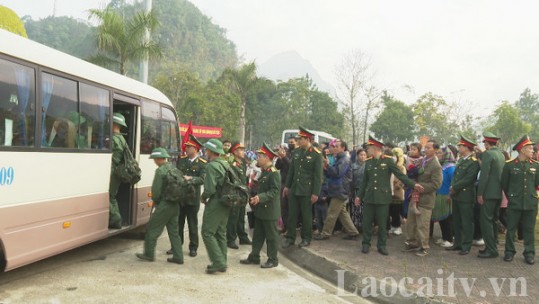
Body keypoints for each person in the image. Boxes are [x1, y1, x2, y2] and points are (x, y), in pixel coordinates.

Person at [356, 136, 423, 255]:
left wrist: (413, 185)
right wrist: (359, 196)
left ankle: (381, 245)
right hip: (369, 197)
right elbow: (365, 181)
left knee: (382, 224)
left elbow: (400, 175)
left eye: (369, 148)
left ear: (375, 148)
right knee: (367, 223)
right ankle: (366, 243)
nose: (367, 151)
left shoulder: (388, 161)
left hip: (382, 198)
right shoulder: (369, 162)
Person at [136, 148, 184, 265]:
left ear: (158, 159)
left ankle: (148, 254)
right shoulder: (174, 168)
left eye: (154, 159)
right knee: (174, 231)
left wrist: (156, 202)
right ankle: (178, 256)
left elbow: (156, 192)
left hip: (165, 204)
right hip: (175, 204)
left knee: (152, 229)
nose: (154, 162)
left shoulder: (160, 171)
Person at [240, 143, 281, 268]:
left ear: (267, 158)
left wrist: (260, 197)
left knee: (271, 237)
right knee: (257, 235)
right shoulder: (264, 171)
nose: (257, 158)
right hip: (260, 209)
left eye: (259, 156)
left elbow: (274, 191)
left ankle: (273, 259)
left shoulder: (274, 173)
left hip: (269, 211)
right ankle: (254, 256)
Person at [282, 126, 324, 248]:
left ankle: (306, 238)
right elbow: (292, 171)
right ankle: (290, 238)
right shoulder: (296, 152)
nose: (298, 141)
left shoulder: (316, 155)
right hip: (295, 188)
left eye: (300, 139)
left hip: (307, 190)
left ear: (307, 139)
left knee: (306, 216)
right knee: (292, 215)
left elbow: (318, 176)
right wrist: (287, 186)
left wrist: (315, 193)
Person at [501, 135, 539, 265]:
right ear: (522, 149)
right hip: (515, 203)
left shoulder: (536, 166)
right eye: (530, 148)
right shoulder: (509, 166)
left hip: (531, 202)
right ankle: (509, 252)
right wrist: (512, 196)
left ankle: (529, 253)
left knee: (529, 229)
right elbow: (505, 185)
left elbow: (536, 185)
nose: (533, 151)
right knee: (511, 229)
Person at [167, 134, 206, 258]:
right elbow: (177, 173)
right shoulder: (182, 160)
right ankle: (176, 246)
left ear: (195, 149)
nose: (186, 149)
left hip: (192, 199)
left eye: (189, 147)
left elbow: (202, 179)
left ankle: (193, 247)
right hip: (180, 197)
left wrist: (191, 179)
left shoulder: (202, 163)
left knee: (192, 224)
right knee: (178, 224)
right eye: (186, 147)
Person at [403, 140, 443, 257]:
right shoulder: (422, 161)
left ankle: (423, 247)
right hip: (414, 197)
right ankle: (412, 243)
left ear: (435, 150)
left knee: (422, 224)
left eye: (429, 148)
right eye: (425, 147)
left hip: (425, 199)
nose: (426, 149)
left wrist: (419, 187)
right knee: (411, 222)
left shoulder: (436, 165)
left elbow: (436, 184)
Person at [314, 140, 360, 240]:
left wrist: (328, 166)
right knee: (342, 213)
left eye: (336, 146)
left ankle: (325, 233)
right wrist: (326, 168)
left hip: (340, 190)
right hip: (337, 189)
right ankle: (353, 232)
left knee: (331, 213)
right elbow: (331, 174)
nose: (333, 148)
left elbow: (337, 173)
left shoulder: (344, 160)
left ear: (343, 148)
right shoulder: (338, 159)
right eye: (333, 146)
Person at [201, 139, 231, 274]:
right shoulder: (226, 164)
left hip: (216, 202)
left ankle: (218, 262)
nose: (205, 151)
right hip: (226, 202)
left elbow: (209, 189)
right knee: (220, 232)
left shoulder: (211, 166)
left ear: (211, 151)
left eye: (207, 149)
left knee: (207, 232)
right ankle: (222, 261)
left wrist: (203, 197)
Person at [447, 135, 480, 255]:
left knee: (466, 221)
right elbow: (455, 176)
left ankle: (466, 245)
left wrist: (454, 187)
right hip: (456, 195)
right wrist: (452, 189)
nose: (459, 147)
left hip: (465, 195)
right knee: (457, 220)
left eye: (460, 146)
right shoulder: (461, 160)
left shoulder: (473, 162)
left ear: (466, 148)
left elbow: (469, 179)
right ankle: (458, 243)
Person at [476, 131, 506, 258]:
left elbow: (484, 176)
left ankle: (491, 249)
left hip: (488, 193)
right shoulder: (500, 154)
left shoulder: (488, 154)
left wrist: (480, 193)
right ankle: (492, 245)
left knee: (485, 221)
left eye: (485, 143)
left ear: (487, 143)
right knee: (493, 220)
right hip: (498, 193)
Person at [226, 142, 252, 249]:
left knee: (241, 216)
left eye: (243, 149)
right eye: (240, 150)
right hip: (235, 194)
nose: (243, 152)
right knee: (233, 217)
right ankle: (230, 239)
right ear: (235, 152)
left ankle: (242, 236)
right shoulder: (232, 165)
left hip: (243, 194)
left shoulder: (242, 163)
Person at [431, 147, 456, 248]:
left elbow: (453, 183)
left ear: (446, 155)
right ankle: (444, 237)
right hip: (439, 194)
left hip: (446, 195)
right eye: (437, 153)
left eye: (440, 153)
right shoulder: (441, 166)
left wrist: (450, 195)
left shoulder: (451, 168)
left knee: (447, 218)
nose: (438, 155)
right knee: (441, 217)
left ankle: (449, 239)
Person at [108, 112, 128, 229]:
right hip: (117, 172)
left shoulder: (114, 139)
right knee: (112, 196)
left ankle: (116, 220)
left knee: (109, 196)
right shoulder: (122, 139)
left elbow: (113, 159)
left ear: (114, 124)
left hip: (112, 172)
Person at [388, 147, 406, 236]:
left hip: (398, 193)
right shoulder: (390, 166)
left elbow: (403, 179)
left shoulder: (402, 167)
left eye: (396, 156)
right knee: (390, 210)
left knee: (397, 210)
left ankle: (398, 227)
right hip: (389, 191)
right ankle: (392, 226)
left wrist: (396, 185)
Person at [274, 144, 290, 233]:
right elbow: (277, 167)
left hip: (289, 184)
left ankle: (290, 229)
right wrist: (280, 158)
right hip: (282, 183)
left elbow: (291, 166)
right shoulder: (282, 157)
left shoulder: (292, 155)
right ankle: (285, 226)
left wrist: (284, 157)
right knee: (283, 207)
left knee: (289, 208)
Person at [350, 149, 367, 231]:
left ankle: (364, 225)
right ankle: (356, 225)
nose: (363, 156)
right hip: (355, 190)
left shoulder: (368, 165)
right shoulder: (353, 166)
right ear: (357, 156)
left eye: (364, 155)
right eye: (361, 155)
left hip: (366, 191)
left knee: (365, 209)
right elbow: (351, 179)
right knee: (355, 209)